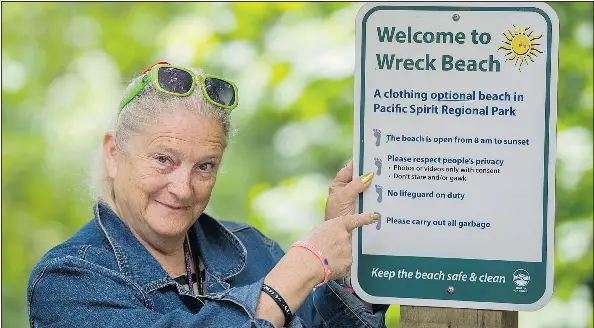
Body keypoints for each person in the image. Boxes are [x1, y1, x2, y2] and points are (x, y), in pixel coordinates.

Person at [27, 62, 389, 328]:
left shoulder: (254, 251)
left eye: (205, 166)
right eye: (164, 159)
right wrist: (300, 269)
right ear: (113, 155)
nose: (183, 189)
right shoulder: (68, 279)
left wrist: (347, 250)